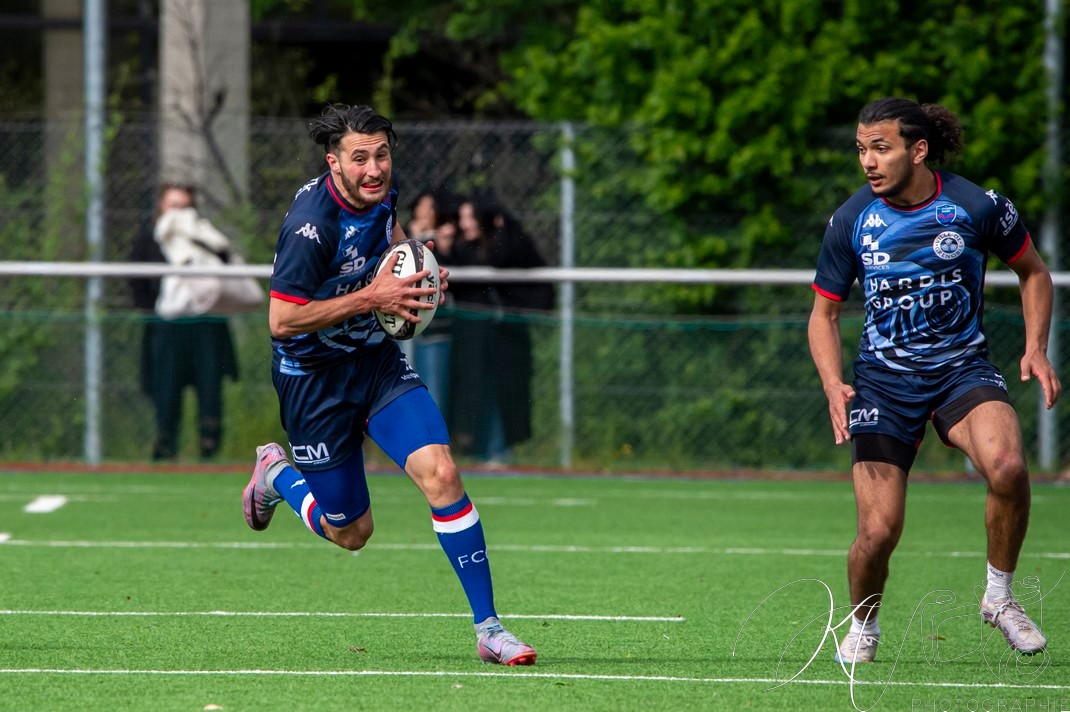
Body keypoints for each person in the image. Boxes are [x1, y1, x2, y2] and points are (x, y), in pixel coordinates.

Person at [241, 104, 537, 666]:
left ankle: (490, 629)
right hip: (314, 383)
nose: (375, 168)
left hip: (375, 364)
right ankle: (277, 475)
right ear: (333, 162)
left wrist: (419, 274)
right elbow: (281, 320)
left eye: (382, 154)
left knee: (442, 473)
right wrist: (372, 298)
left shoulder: (380, 196)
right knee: (352, 533)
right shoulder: (311, 227)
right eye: (360, 158)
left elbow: (394, 247)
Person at [808, 97, 1060, 663]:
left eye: (881, 148)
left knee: (1009, 467)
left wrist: (1036, 348)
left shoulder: (976, 206)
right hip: (883, 384)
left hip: (961, 371)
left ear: (918, 150)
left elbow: (1034, 273)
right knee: (878, 533)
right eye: (861, 149)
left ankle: (999, 598)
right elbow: (823, 314)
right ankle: (863, 626)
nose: (868, 161)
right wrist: (831, 383)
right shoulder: (851, 220)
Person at [129, 183, 239, 460]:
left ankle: (209, 446)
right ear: (161, 207)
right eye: (173, 205)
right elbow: (137, 280)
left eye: (184, 206)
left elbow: (224, 261)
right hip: (167, 327)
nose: (179, 212)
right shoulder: (151, 238)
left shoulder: (204, 234)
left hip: (206, 326)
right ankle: (165, 444)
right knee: (166, 388)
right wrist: (152, 309)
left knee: (209, 388)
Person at [448, 198, 552, 464]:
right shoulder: (462, 249)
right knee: (475, 391)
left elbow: (506, 258)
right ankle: (478, 448)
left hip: (507, 336)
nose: (464, 225)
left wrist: (504, 226)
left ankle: (499, 451)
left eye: (471, 218)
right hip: (474, 337)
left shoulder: (509, 244)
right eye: (462, 218)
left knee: (505, 392)